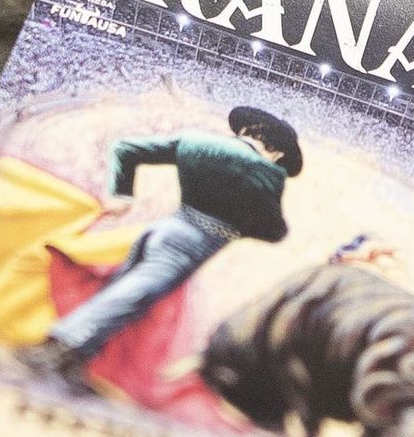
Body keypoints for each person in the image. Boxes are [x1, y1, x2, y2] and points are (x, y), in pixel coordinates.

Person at [18, 106, 301, 393]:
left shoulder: (197, 142)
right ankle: (57, 345)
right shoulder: (268, 173)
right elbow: (274, 230)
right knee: (130, 296)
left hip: (163, 228)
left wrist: (121, 195)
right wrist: (240, 226)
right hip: (195, 243)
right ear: (277, 152)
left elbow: (126, 148)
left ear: (244, 130)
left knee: (124, 292)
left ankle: (73, 359)